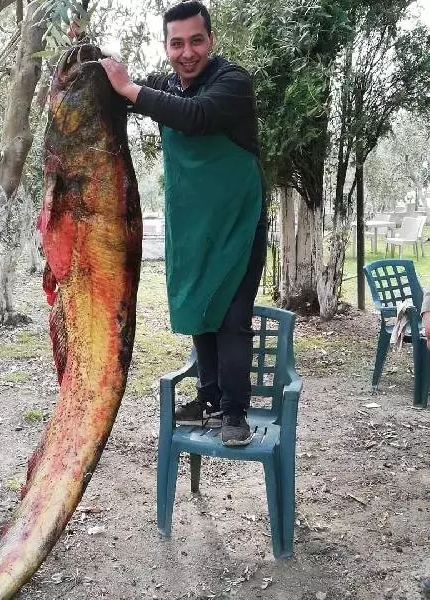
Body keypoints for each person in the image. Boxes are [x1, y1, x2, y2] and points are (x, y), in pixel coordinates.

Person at [101, 0, 267, 446]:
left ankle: (234, 413)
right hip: (192, 230)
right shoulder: (168, 85)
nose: (187, 52)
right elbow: (123, 90)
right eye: (177, 44)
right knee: (199, 310)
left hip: (237, 226)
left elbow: (196, 118)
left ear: (211, 40)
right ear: (167, 46)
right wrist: (90, 61)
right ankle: (208, 399)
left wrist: (131, 89)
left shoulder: (233, 83)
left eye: (196, 41)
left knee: (231, 319)